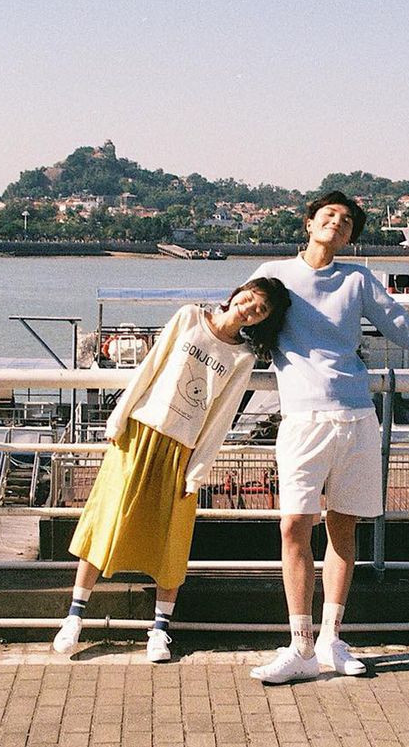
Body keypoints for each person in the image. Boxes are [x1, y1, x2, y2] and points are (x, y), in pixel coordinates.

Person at [249, 191, 409, 683]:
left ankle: (330, 639)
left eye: (347, 221)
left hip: (356, 416)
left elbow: (402, 327)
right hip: (302, 420)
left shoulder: (356, 279)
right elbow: (238, 318)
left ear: (351, 235)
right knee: (294, 527)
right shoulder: (275, 274)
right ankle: (299, 647)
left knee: (344, 528)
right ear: (309, 222)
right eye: (329, 215)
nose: (337, 223)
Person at [53, 277, 291, 661]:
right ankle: (74, 618)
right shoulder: (189, 317)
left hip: (182, 450)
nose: (251, 308)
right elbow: (149, 368)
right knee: (106, 520)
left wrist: (197, 470)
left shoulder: (243, 358)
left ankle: (160, 630)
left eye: (261, 309)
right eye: (251, 298)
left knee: (171, 539)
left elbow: (220, 419)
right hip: (140, 432)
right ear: (238, 292)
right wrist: (118, 417)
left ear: (264, 320)